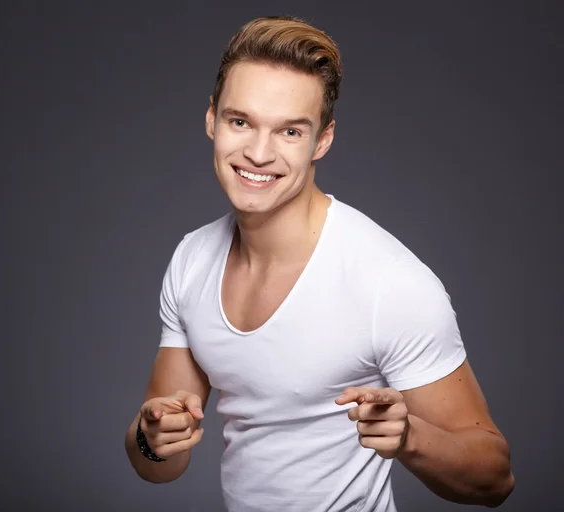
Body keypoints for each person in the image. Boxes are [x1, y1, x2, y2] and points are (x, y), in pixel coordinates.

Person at [124, 15, 514, 512]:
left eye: (289, 131)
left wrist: (410, 437)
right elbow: (160, 463)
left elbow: (496, 478)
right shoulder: (192, 260)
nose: (258, 153)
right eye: (240, 121)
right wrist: (150, 436)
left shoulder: (387, 283)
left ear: (322, 140)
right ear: (211, 119)